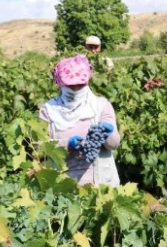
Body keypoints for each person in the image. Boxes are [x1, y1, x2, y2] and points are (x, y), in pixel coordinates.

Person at [39, 54, 121, 187]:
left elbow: (114, 144)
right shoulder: (49, 111)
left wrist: (108, 133)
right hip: (62, 187)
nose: (76, 89)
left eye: (80, 84)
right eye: (71, 85)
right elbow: (39, 148)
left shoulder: (100, 106)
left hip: (101, 186)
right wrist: (66, 144)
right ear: (60, 83)